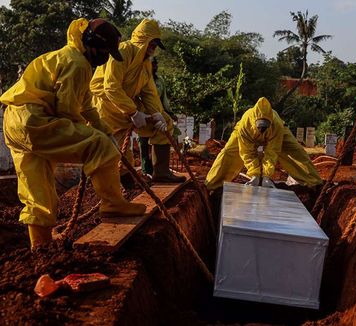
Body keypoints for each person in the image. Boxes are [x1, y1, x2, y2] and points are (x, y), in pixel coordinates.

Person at [0, 19, 147, 249]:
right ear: (92, 45)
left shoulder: (71, 59)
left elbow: (87, 106)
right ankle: (113, 204)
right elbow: (67, 111)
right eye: (106, 52)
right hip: (37, 122)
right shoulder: (77, 64)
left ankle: (41, 246)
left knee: (37, 188)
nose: (106, 59)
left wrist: (105, 130)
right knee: (100, 146)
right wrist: (99, 138)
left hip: (16, 123)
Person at [90, 19, 185, 185]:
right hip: (107, 108)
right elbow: (110, 88)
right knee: (119, 154)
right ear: (144, 40)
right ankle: (123, 186)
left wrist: (157, 113)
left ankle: (161, 172)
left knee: (165, 123)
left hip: (128, 106)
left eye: (156, 45)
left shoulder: (146, 63)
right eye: (152, 44)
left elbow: (149, 91)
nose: (153, 49)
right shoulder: (123, 51)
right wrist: (133, 112)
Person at [205, 97, 323, 190]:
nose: (262, 130)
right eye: (260, 126)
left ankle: (313, 183)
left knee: (296, 152)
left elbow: (272, 151)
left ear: (270, 121)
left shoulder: (276, 125)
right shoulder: (245, 125)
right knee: (228, 153)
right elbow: (247, 152)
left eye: (265, 126)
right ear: (254, 121)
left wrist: (266, 176)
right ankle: (212, 185)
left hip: (278, 132)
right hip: (245, 135)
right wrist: (255, 174)